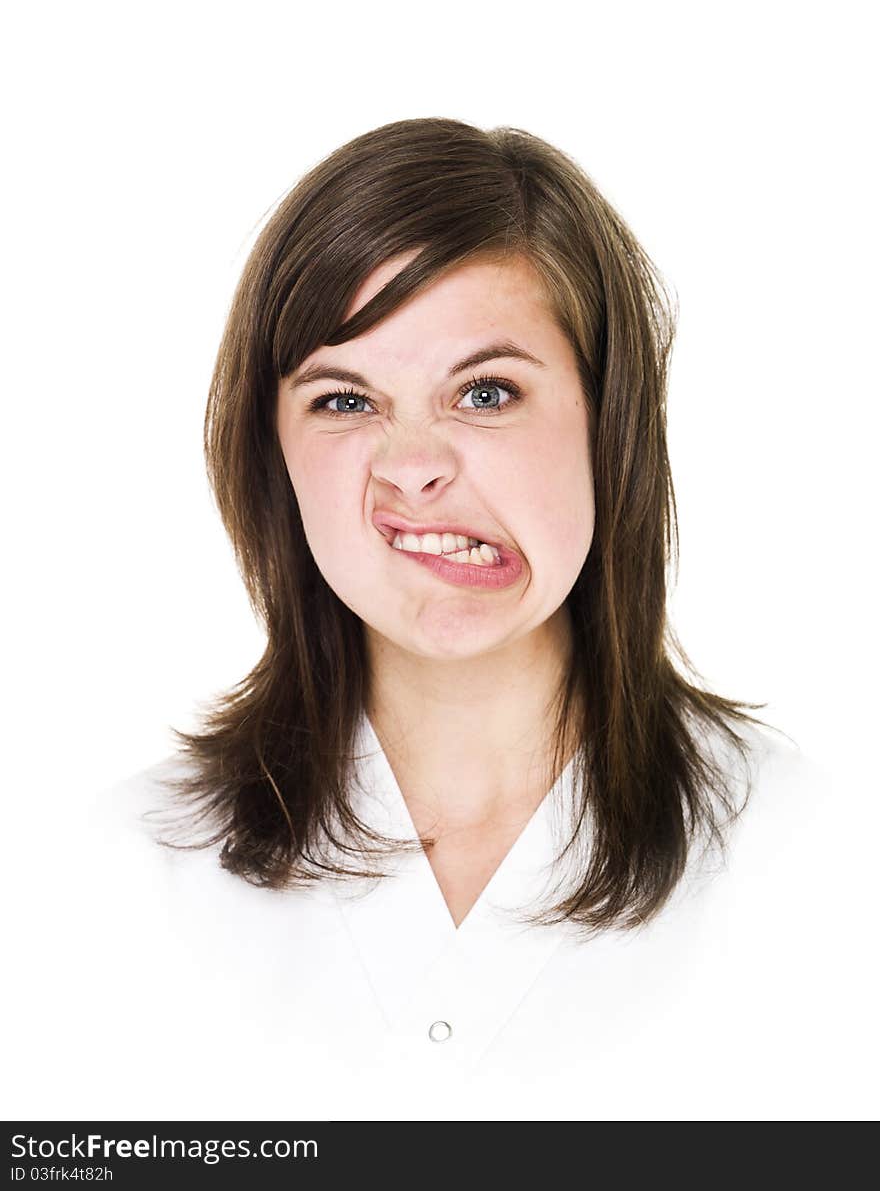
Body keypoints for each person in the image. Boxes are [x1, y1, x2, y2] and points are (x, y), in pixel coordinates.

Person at [18, 118, 845, 1122]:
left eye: (485, 391)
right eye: (344, 400)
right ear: (271, 452)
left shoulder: (813, 863)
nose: (412, 465)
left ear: (608, 421)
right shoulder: (112, 883)